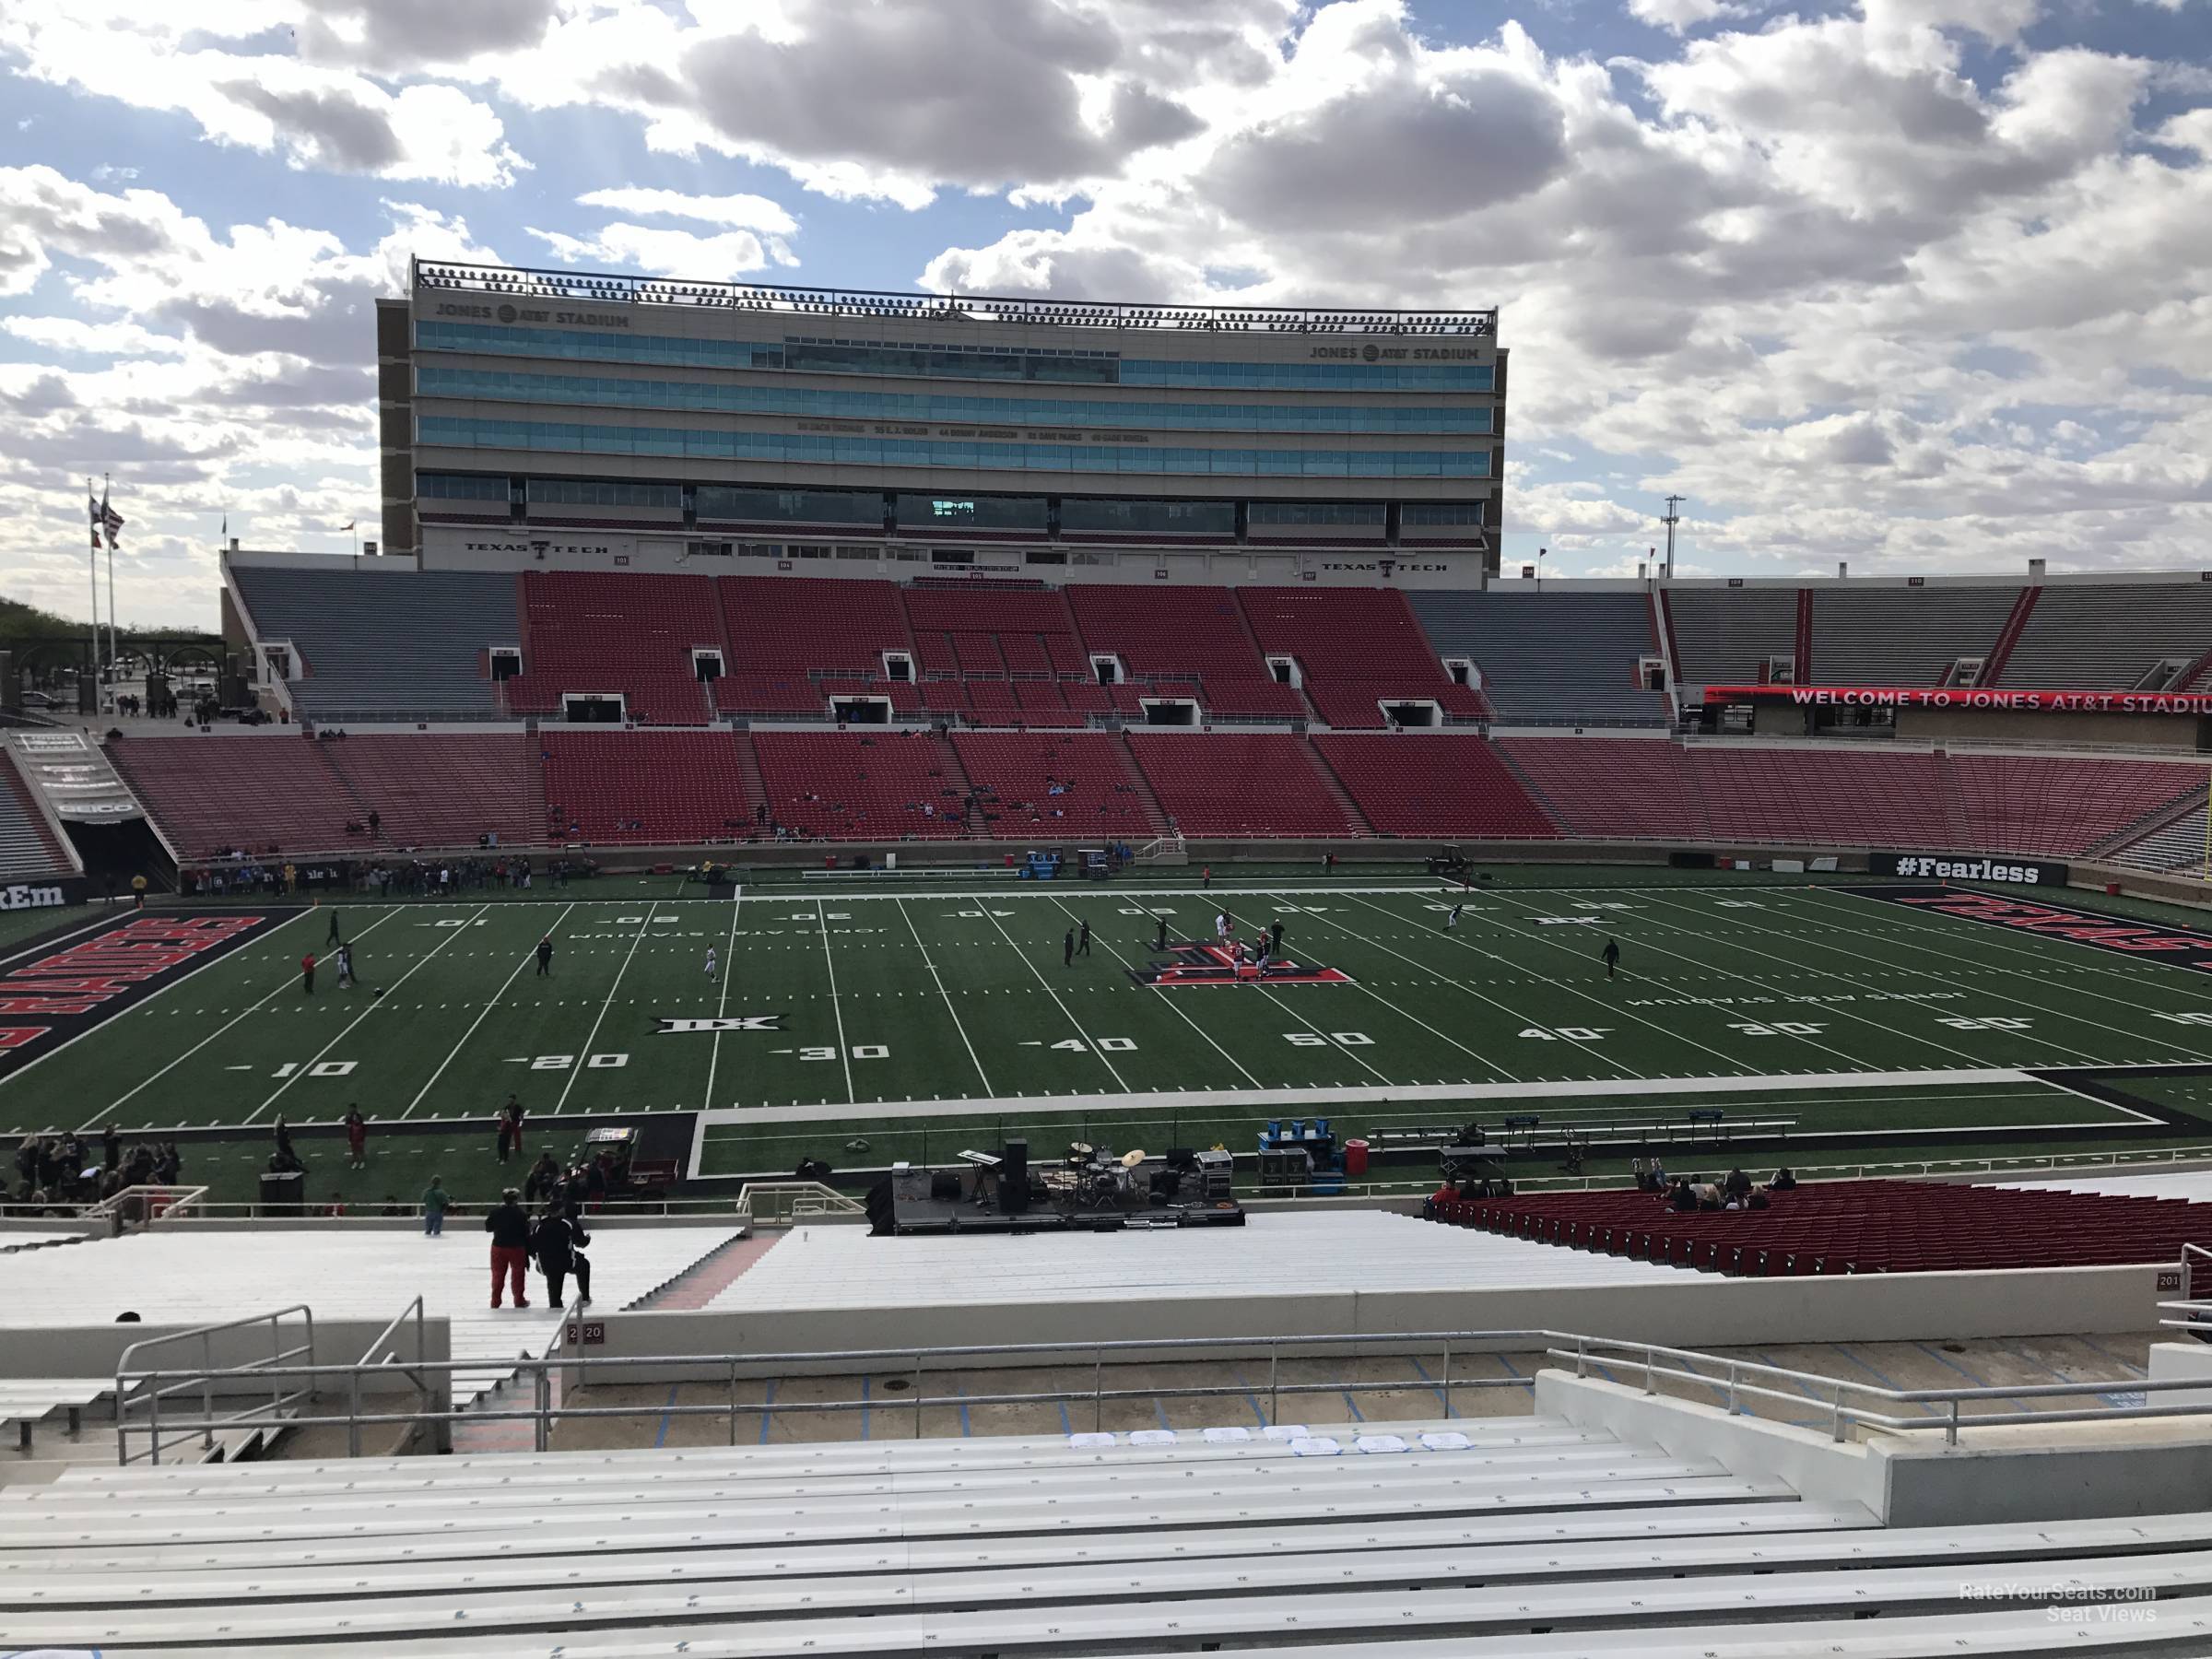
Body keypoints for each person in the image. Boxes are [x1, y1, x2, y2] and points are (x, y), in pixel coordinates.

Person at [534, 1204, 592, 1306]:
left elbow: (532, 1245)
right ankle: (585, 1298)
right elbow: (580, 1242)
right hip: (566, 1261)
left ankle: (555, 1304)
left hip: (545, 1263)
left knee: (553, 1280)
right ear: (561, 1210)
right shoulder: (569, 1224)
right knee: (583, 1265)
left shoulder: (539, 1226)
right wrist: (587, 1239)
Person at [485, 1188, 532, 1309]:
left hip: (498, 1247)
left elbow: (488, 1228)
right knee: (518, 1274)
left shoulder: (495, 1212)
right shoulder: (521, 1214)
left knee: (497, 1274)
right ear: (516, 1199)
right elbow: (526, 1232)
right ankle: (519, 1300)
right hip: (516, 1248)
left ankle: (495, 1301)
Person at [420, 1173, 451, 1237]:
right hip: (438, 1212)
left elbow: (423, 1200)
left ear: (431, 1181)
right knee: (436, 1232)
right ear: (440, 1182)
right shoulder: (441, 1192)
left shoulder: (427, 1191)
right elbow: (447, 1201)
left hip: (429, 1212)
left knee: (428, 1231)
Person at [344, 1105, 367, 1171]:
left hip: (359, 1137)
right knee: (354, 1151)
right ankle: (355, 1162)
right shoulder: (349, 1116)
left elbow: (363, 1129)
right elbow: (347, 1126)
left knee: (361, 1150)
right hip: (353, 1137)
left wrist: (362, 1139)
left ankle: (362, 1162)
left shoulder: (359, 1118)